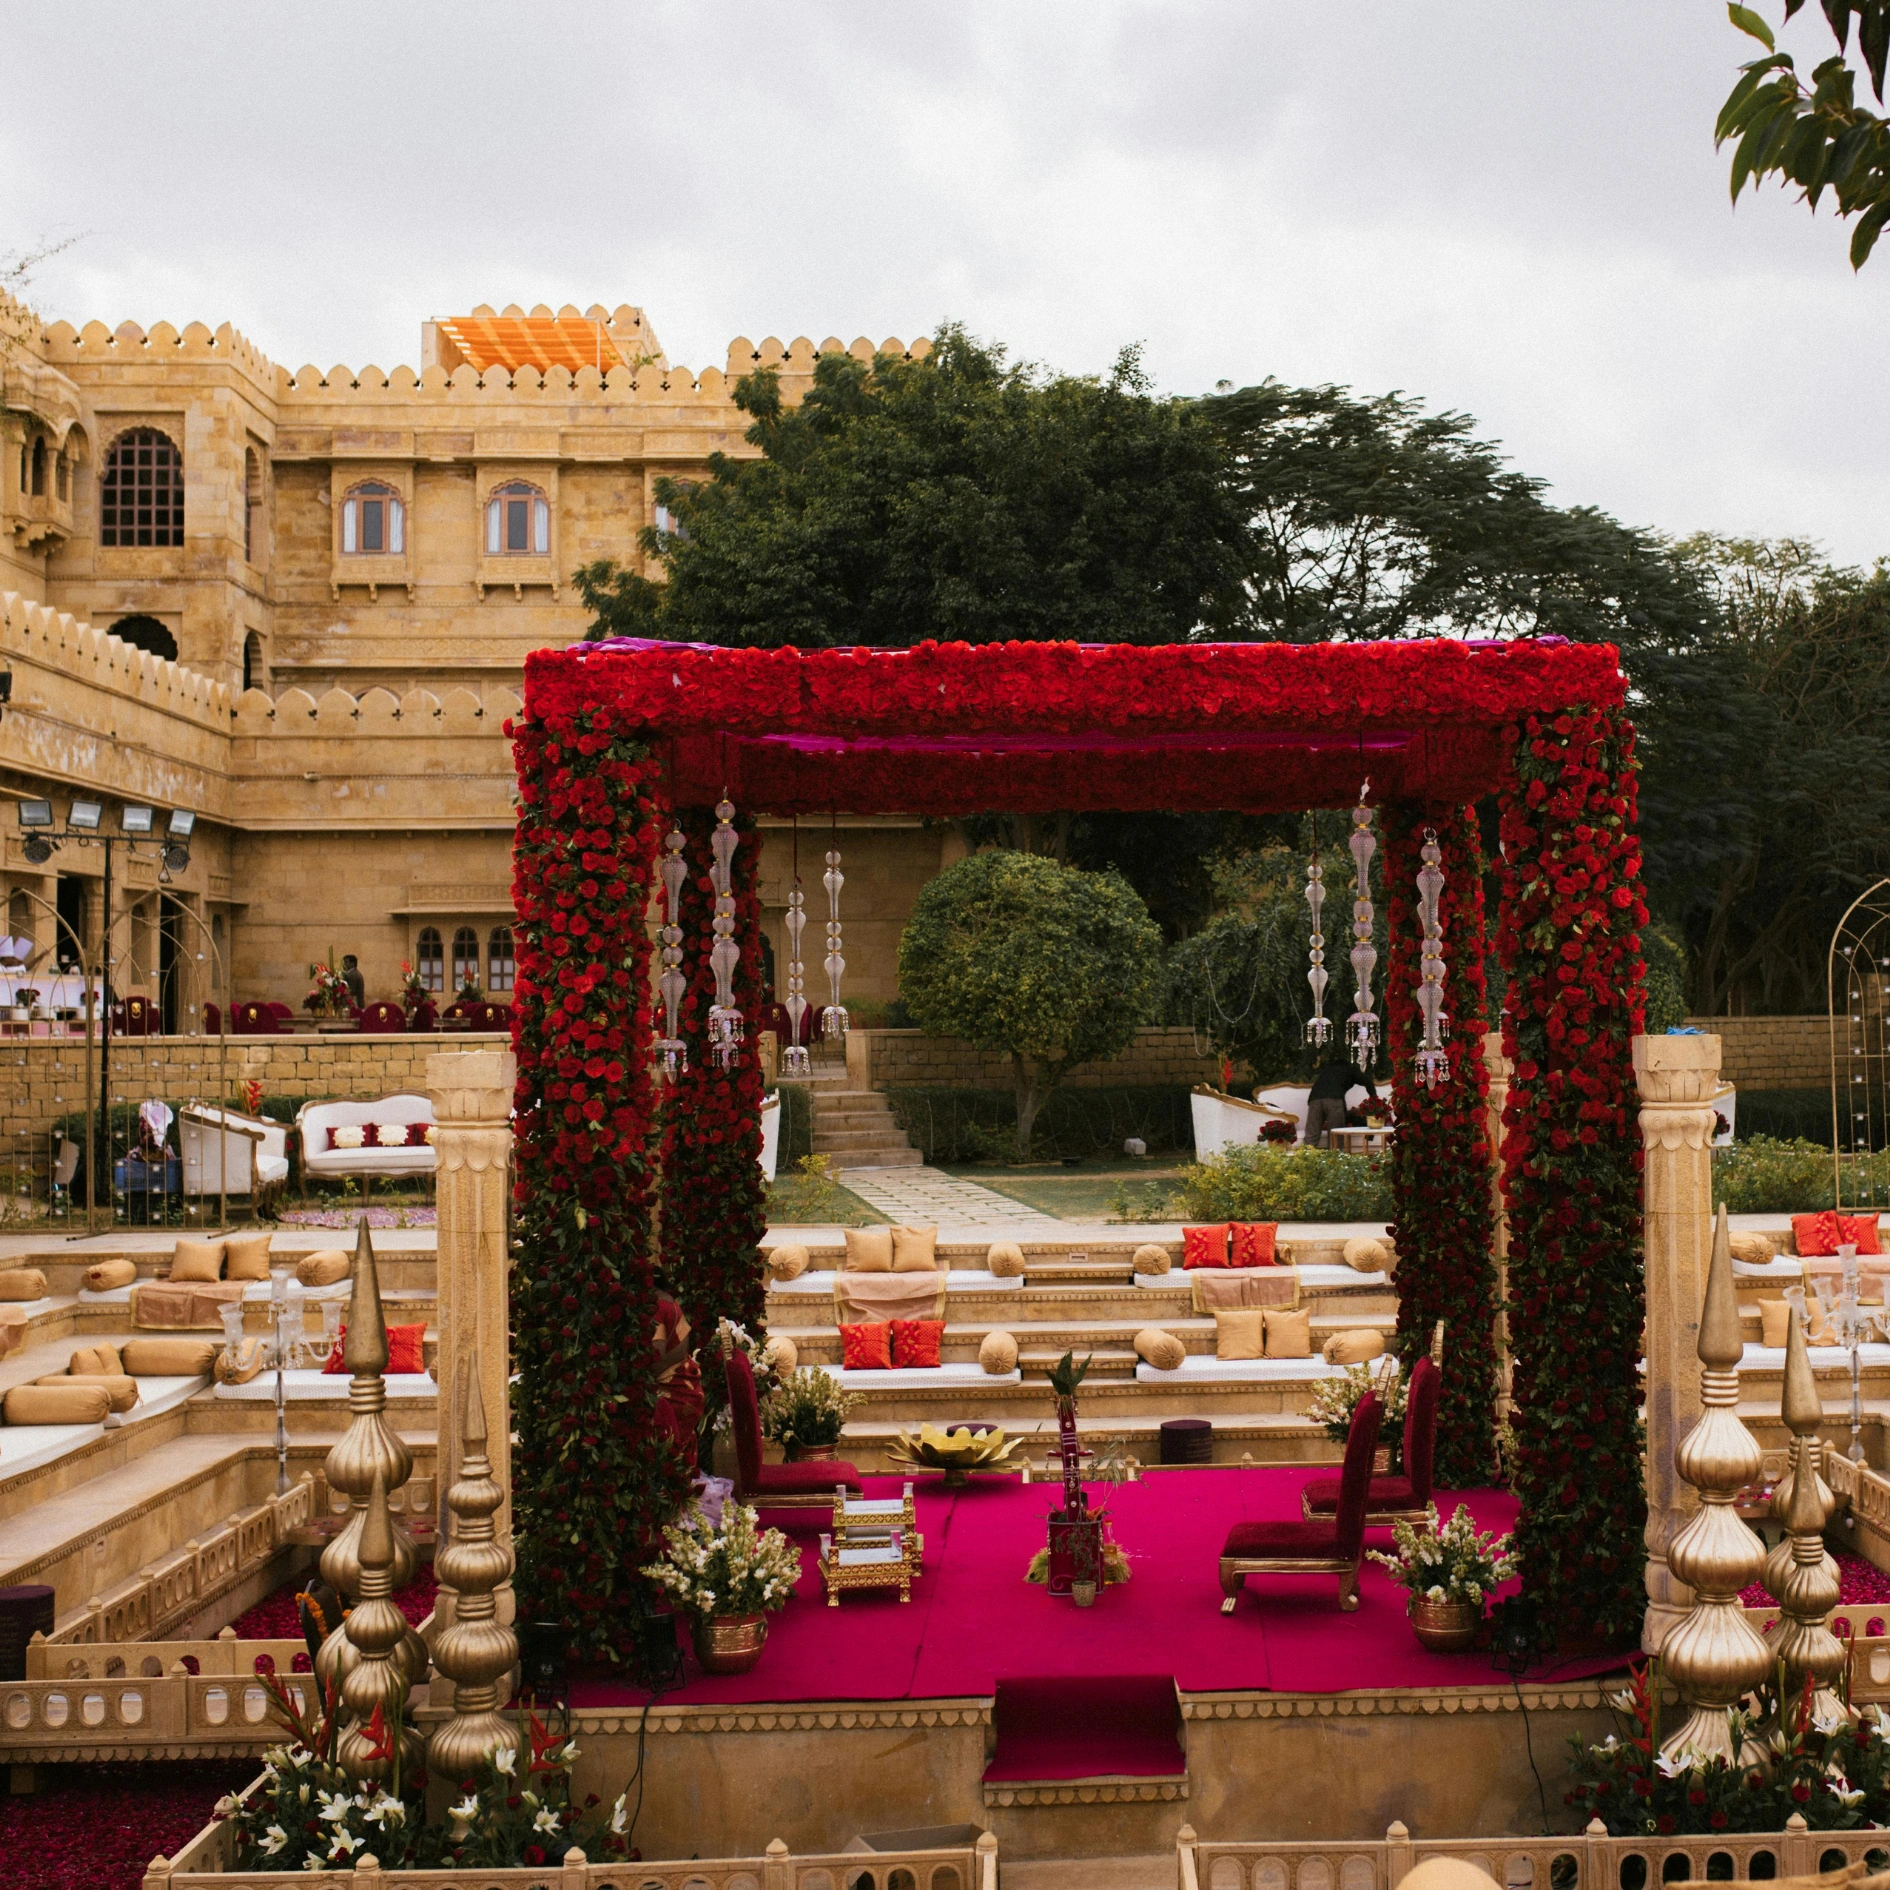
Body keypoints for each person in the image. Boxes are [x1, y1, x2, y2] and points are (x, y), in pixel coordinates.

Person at [1305, 1054, 1375, 1148]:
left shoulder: (1328, 1069)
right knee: (1336, 1137)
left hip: (1315, 1099)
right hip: (1334, 1100)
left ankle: (1305, 1158)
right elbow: (1368, 1082)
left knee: (1311, 1136)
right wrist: (1374, 1098)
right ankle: (1335, 1160)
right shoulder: (1350, 1069)